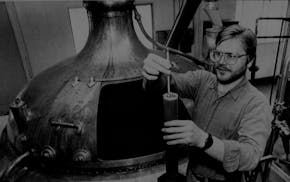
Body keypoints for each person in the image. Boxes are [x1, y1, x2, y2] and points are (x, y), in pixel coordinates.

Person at [142, 24, 272, 182]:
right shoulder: (203, 80)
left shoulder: (256, 103)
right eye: (217, 54)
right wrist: (153, 75)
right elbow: (169, 84)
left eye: (231, 56)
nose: (221, 62)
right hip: (192, 176)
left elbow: (250, 157)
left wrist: (204, 140)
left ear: (249, 61)